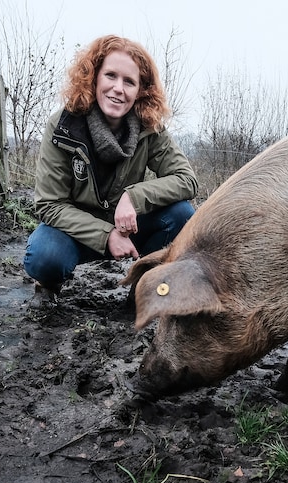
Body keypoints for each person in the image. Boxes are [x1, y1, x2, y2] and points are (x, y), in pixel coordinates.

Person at [23, 35, 198, 306]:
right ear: (94, 78)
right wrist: (106, 236)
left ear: (140, 90)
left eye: (129, 81)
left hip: (130, 229)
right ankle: (47, 286)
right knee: (45, 256)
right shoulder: (63, 126)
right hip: (75, 233)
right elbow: (49, 205)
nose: (118, 88)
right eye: (111, 76)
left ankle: (141, 288)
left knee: (183, 215)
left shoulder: (150, 127)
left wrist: (133, 197)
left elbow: (186, 180)